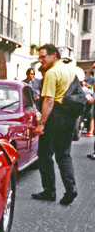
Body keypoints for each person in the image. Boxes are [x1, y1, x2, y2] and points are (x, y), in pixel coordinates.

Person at [31, 44, 78, 206]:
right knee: (64, 154)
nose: (41, 60)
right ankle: (70, 188)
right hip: (69, 117)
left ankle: (49, 191)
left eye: (43, 56)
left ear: (54, 55)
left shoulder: (52, 73)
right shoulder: (69, 69)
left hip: (55, 117)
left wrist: (41, 124)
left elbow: (49, 100)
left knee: (44, 154)